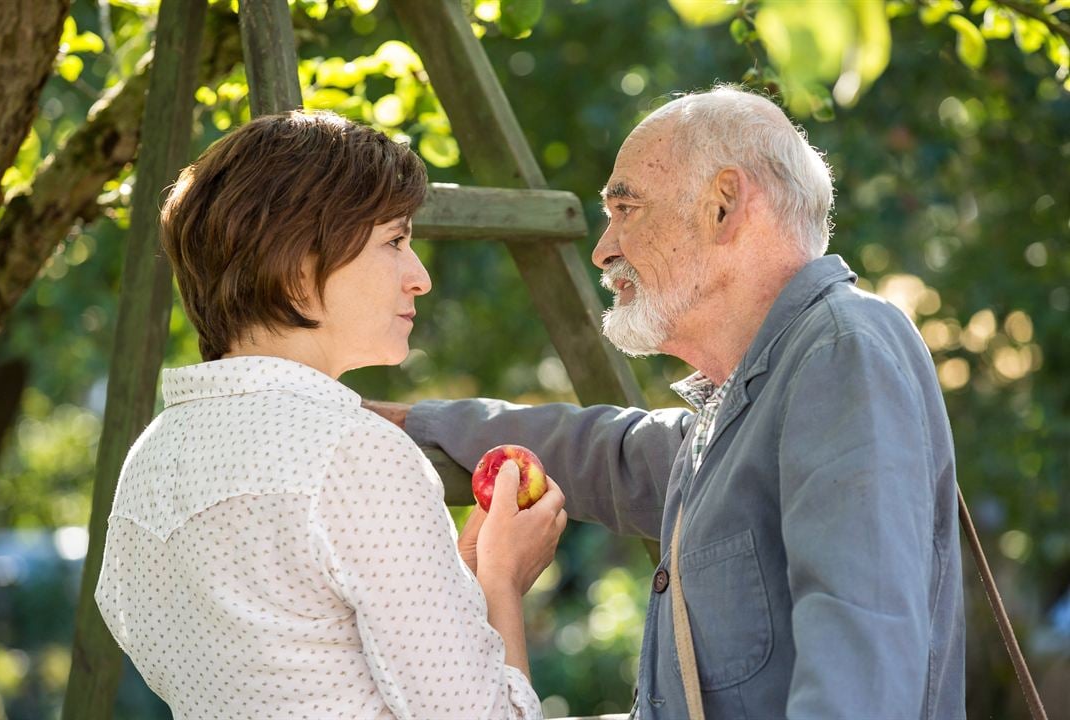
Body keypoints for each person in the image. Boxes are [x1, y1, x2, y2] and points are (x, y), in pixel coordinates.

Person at [368, 85, 965, 719]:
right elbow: (613, 454)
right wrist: (410, 423)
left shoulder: (842, 351)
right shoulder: (751, 396)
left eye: (626, 207)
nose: (603, 248)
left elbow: (860, 688)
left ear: (724, 206)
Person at [95, 110, 567, 719]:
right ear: (295, 268)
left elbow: (299, 657)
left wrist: (461, 578)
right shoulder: (352, 452)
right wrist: (501, 584)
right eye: (394, 242)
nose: (419, 277)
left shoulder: (151, 460)